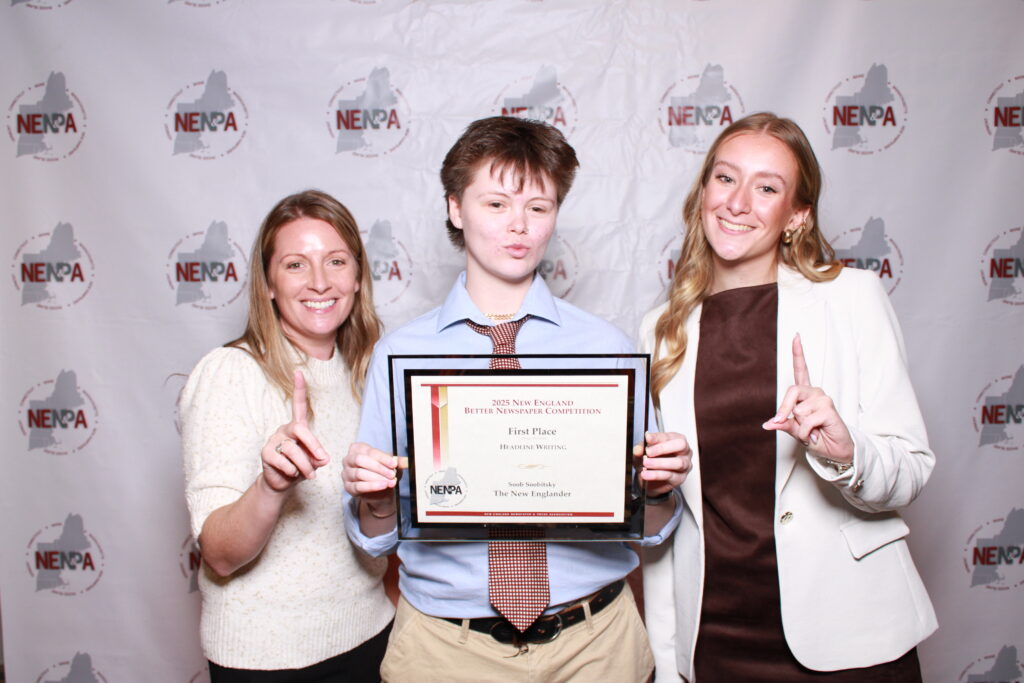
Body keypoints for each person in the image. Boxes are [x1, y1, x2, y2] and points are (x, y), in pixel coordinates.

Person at [341, 116, 692, 683]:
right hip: (445, 649)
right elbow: (375, 535)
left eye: (539, 207)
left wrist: (658, 487)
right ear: (456, 208)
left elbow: (651, 526)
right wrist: (374, 495)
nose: (519, 226)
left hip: (595, 644)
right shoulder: (401, 355)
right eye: (497, 204)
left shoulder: (606, 347)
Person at [640, 112, 937, 682]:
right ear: (703, 192)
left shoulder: (852, 298)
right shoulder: (660, 330)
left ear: (797, 216)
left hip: (851, 633)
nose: (738, 202)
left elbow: (911, 469)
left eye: (767, 187)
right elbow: (667, 517)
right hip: (716, 636)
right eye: (725, 179)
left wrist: (846, 453)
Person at [181, 190, 395, 682]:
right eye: (296, 264)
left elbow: (373, 538)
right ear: (269, 283)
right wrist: (271, 485)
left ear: (358, 277)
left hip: (370, 637)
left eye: (336, 261)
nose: (320, 282)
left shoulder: (366, 376)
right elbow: (219, 554)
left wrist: (383, 503)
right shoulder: (231, 373)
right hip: (270, 659)